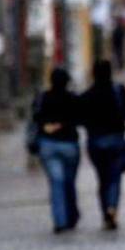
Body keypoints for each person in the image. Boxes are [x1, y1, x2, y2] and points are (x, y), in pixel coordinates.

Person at [80, 60, 125, 230]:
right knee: (114, 177)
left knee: (102, 178)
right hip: (116, 139)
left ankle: (105, 211)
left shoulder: (86, 95)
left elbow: (80, 118)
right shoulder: (118, 90)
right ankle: (112, 207)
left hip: (95, 142)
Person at [33, 68, 80, 234]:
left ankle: (60, 220)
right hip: (68, 145)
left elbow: (36, 119)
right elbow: (79, 118)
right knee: (68, 182)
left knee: (56, 183)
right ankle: (71, 215)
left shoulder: (42, 98)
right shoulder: (72, 98)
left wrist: (49, 126)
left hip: (48, 145)